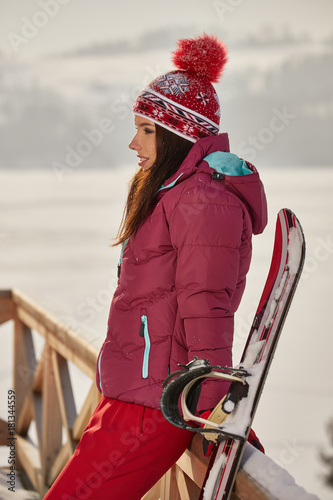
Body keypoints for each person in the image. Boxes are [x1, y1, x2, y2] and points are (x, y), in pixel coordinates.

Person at [44, 33, 267, 500]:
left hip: (160, 403)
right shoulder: (175, 191)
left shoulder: (203, 200)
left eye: (146, 129)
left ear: (177, 134)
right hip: (135, 394)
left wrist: (210, 413)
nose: (132, 142)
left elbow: (206, 306)